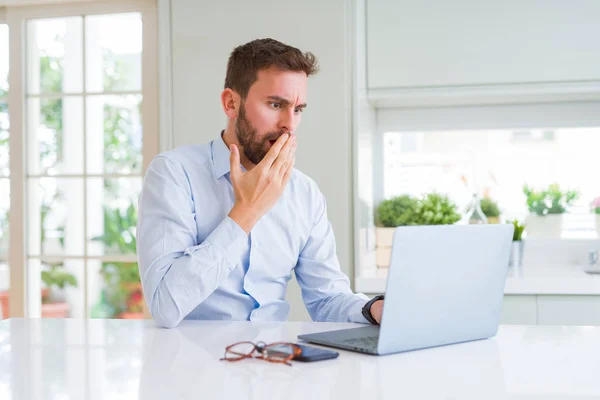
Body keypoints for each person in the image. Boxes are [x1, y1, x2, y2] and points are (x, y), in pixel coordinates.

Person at [137, 38, 384, 328]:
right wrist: (247, 212)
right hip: (194, 364)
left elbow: (327, 298)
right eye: (275, 104)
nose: (289, 124)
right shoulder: (174, 174)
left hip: (275, 364)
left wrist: (374, 309)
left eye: (298, 109)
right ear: (231, 103)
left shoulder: (304, 193)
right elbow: (165, 306)